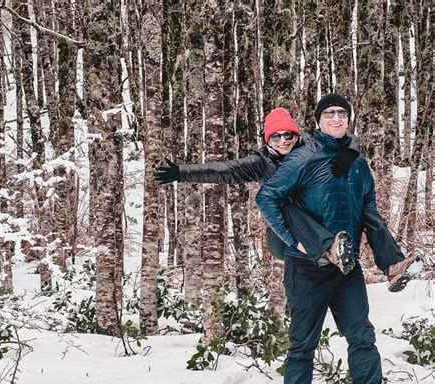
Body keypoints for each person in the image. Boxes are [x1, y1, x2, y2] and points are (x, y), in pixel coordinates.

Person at [255, 93, 422, 384]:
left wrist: (386, 257)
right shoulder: (301, 158)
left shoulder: (357, 162)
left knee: (361, 335)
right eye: (328, 114)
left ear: (348, 119)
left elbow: (370, 214)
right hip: (308, 267)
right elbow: (267, 198)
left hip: (347, 268)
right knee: (303, 341)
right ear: (318, 121)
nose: (335, 118)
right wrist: (294, 242)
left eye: (341, 114)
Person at [155, 106, 418, 290]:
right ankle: (327, 251)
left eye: (288, 135)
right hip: (284, 237)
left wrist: (351, 151)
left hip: (320, 225)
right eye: (276, 136)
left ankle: (393, 266)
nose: (283, 141)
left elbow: (340, 136)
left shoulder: (307, 148)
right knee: (285, 200)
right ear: (268, 139)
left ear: (296, 135)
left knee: (363, 206)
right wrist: (181, 172)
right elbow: (224, 171)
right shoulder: (261, 162)